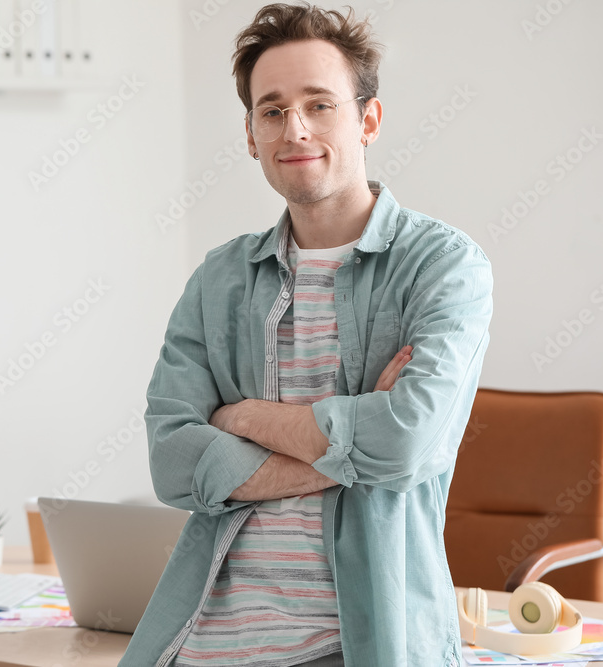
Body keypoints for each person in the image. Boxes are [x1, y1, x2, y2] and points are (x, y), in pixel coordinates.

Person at [119, 3, 493, 666]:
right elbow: (172, 460)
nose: (295, 128)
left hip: (359, 645)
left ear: (367, 119)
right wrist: (351, 447)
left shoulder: (443, 265)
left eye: (319, 104)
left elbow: (405, 438)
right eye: (272, 110)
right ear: (250, 133)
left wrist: (244, 417)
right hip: (197, 642)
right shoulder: (219, 279)